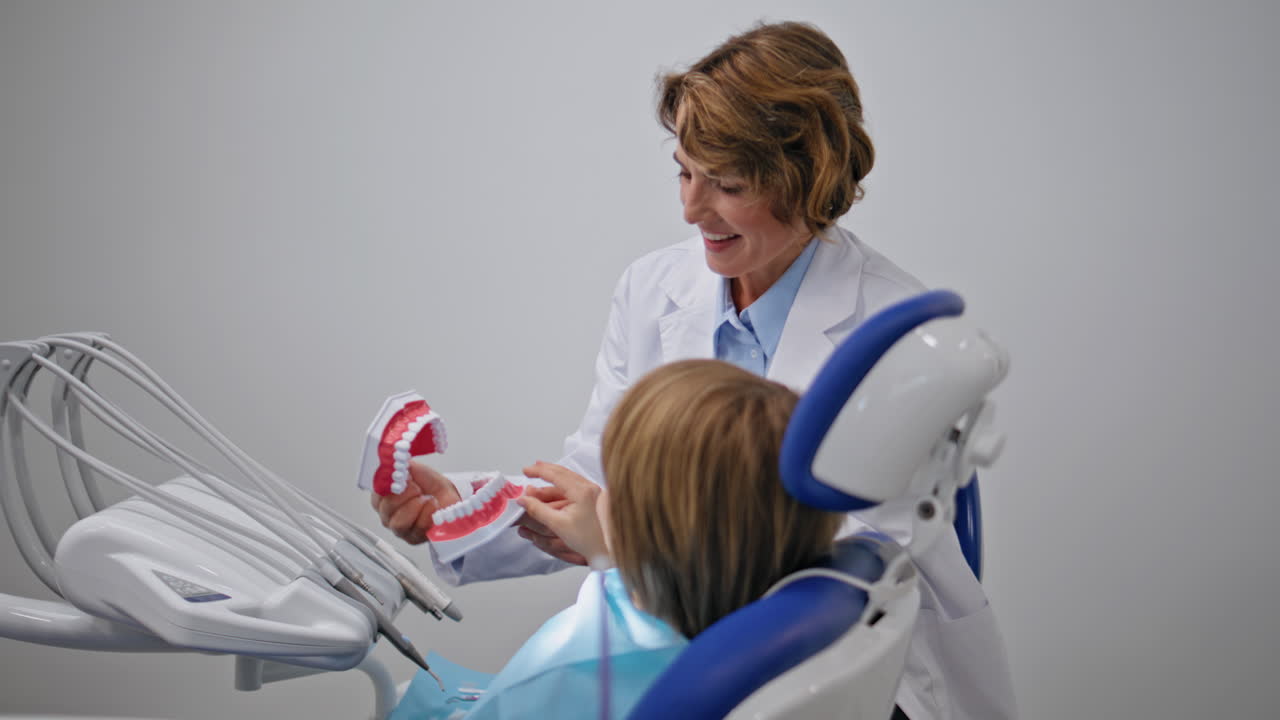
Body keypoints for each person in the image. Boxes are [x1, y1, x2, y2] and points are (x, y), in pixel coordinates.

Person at [375, 21, 1016, 720]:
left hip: (822, 677)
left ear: (810, 179)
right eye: (683, 170)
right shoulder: (652, 289)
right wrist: (460, 511)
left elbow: (839, 572)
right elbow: (601, 481)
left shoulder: (891, 342)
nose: (690, 208)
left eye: (727, 184)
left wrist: (620, 545)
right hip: (673, 634)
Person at [392, 360, 843, 719]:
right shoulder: (759, 633)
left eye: (616, 483)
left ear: (646, 524)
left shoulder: (578, 665)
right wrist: (610, 556)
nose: (595, 491)